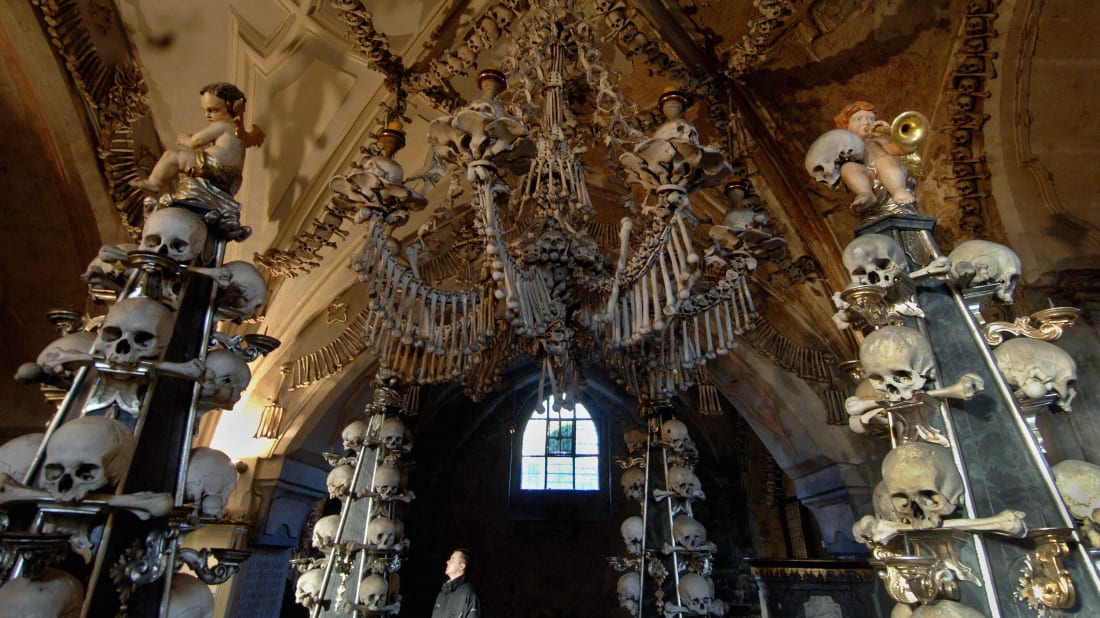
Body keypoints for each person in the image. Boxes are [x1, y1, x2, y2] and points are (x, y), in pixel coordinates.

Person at [131, 82, 263, 196]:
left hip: (214, 167)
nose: (207, 115)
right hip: (233, 181)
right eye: (205, 110)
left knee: (172, 156)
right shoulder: (240, 133)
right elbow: (251, 139)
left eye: (213, 110)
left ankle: (154, 182)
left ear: (231, 108)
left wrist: (185, 139)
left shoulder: (222, 126)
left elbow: (196, 142)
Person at [833, 100, 916, 210]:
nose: (866, 123)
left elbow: (906, 148)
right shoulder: (845, 145)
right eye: (858, 119)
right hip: (866, 173)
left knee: (884, 160)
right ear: (845, 126)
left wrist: (890, 131)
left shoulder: (880, 141)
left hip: (887, 170)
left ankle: (898, 189)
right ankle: (865, 193)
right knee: (848, 168)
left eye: (871, 119)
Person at [430, 548, 481, 618]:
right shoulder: (442, 593)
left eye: (452, 559)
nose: (447, 562)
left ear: (461, 566)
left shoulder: (469, 594)